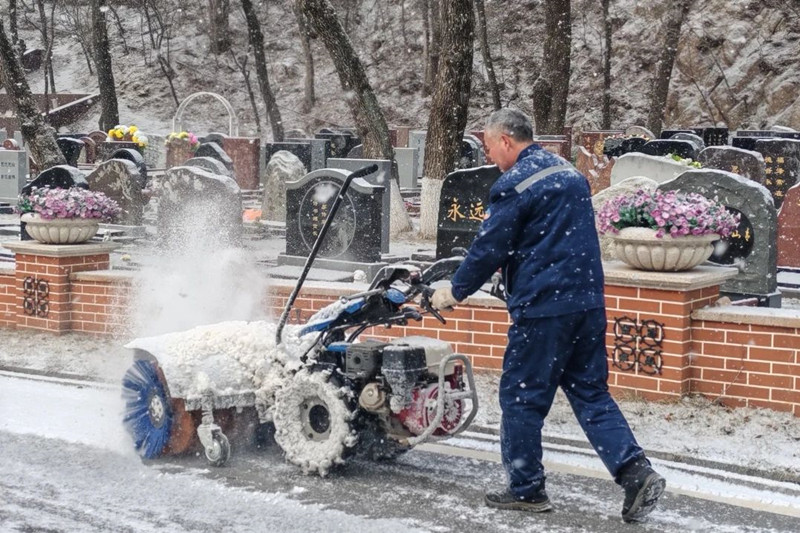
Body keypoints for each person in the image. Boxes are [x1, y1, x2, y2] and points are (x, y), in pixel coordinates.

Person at [431, 109, 665, 523]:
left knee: (521, 396)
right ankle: (634, 472)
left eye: (489, 146)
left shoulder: (514, 184)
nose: (489, 156)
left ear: (506, 140)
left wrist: (455, 290)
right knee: (590, 393)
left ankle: (526, 489)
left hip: (544, 309)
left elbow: (490, 246)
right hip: (587, 303)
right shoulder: (568, 174)